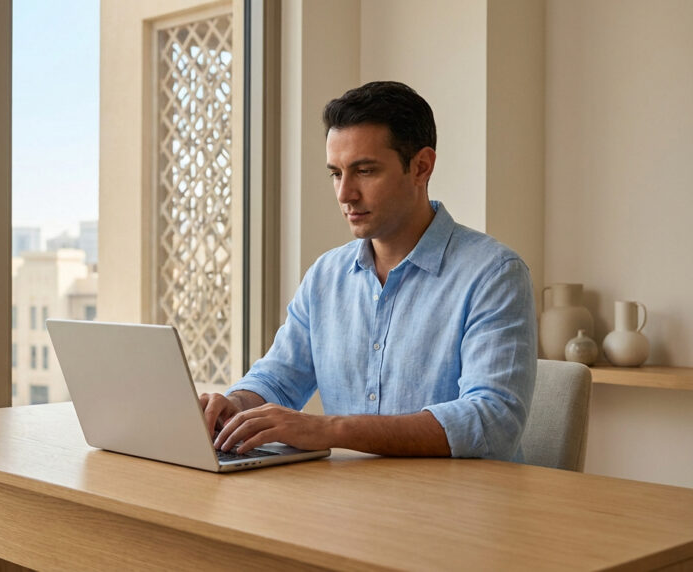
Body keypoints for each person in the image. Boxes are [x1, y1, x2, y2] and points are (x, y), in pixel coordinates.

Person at [201, 81, 537, 461]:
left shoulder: (494, 275)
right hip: (350, 505)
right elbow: (277, 379)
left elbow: (492, 423)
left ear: (421, 167)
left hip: (459, 511)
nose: (345, 194)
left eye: (364, 171)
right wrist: (234, 406)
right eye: (335, 174)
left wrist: (330, 429)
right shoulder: (325, 276)